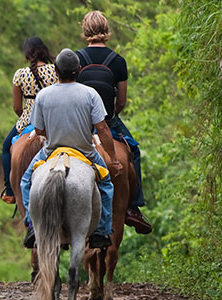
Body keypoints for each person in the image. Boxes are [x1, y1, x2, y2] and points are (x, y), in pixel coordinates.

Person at [20, 48, 123, 249]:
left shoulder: (43, 95)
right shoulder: (90, 94)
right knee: (106, 184)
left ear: (56, 71)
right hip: (85, 152)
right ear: (79, 70)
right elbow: (102, 128)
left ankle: (32, 225)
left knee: (25, 181)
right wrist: (114, 159)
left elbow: (39, 129)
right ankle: (101, 231)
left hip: (51, 151)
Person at [75, 11, 152, 234]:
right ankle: (133, 208)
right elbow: (122, 101)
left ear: (85, 30)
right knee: (134, 151)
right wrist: (110, 115)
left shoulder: (76, 59)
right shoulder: (118, 61)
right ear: (106, 30)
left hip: (82, 124)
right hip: (108, 121)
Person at [0, 37, 58, 204]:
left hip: (28, 121)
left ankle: (10, 192)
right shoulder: (55, 70)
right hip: (52, 122)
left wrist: (26, 118)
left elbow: (17, 108)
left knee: (6, 148)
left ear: (27, 54)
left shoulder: (20, 74)